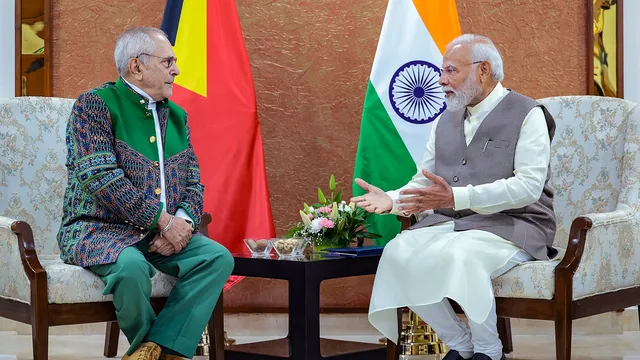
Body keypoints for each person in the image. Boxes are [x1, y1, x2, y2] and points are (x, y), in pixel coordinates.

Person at [352, 34, 556, 360]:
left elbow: (528, 188)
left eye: (450, 70)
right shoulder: (444, 119)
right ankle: (461, 345)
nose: (441, 80)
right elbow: (425, 179)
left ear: (484, 70)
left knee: (464, 254)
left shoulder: (528, 114)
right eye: (441, 71)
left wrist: (456, 197)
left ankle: (489, 352)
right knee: (398, 253)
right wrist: (392, 200)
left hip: (517, 225)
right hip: (458, 223)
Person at [57, 27, 234, 360]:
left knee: (217, 258)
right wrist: (163, 221)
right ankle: (155, 349)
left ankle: (159, 350)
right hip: (97, 229)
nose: (176, 70)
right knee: (131, 269)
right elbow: (101, 177)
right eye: (168, 61)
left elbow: (194, 182)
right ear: (136, 66)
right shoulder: (94, 105)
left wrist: (181, 223)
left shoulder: (177, 116)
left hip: (160, 232)